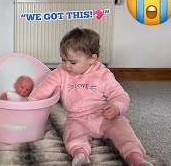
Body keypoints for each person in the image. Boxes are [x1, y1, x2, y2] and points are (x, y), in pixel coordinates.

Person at [28, 28, 153, 166]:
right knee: (71, 132)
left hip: (104, 117)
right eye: (63, 60)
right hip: (78, 119)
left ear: (92, 59)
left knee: (123, 129)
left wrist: (116, 108)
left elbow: (120, 95)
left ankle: (135, 157)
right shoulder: (60, 72)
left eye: (72, 62)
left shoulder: (103, 74)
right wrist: (31, 102)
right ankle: (80, 154)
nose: (66, 65)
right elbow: (45, 87)